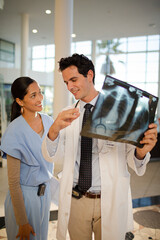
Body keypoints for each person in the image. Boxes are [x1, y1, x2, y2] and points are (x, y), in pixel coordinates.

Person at [42, 53, 157, 240]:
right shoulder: (66, 115)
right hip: (77, 201)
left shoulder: (121, 112)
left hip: (110, 199)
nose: (70, 87)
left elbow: (132, 157)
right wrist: (53, 130)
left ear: (89, 75)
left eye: (73, 79)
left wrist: (141, 152)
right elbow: (52, 156)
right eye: (66, 83)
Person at [0, 77, 55, 240]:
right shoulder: (14, 131)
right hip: (24, 200)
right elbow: (14, 183)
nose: (40, 98)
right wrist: (22, 222)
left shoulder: (49, 121)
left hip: (45, 196)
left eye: (40, 93)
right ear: (20, 101)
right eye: (33, 95)